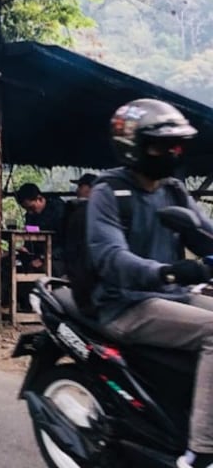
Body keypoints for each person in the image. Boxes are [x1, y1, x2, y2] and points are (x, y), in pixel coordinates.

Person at [87, 99, 213, 468]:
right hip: (125, 305)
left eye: (177, 145)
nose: (172, 152)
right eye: (162, 145)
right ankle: (201, 452)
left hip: (169, 296)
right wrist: (169, 272)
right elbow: (111, 259)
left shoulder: (173, 190)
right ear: (134, 147)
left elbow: (203, 231)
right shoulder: (108, 193)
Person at [14, 182, 67, 270]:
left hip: (57, 258)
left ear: (40, 199)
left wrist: (43, 258)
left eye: (31, 208)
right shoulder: (30, 215)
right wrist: (26, 249)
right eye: (27, 209)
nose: (30, 212)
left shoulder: (58, 210)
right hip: (36, 256)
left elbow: (64, 242)